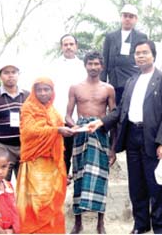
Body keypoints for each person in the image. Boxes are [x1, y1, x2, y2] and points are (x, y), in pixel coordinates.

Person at [88, 40, 162, 234]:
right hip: (132, 136)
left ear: (153, 55)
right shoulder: (131, 81)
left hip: (153, 139)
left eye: (145, 52)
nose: (140, 56)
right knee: (136, 186)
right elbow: (120, 110)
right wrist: (101, 122)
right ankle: (141, 225)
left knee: (157, 185)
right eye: (137, 53)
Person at [65, 51, 116, 234]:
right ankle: (78, 222)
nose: (93, 67)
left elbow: (113, 117)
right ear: (85, 65)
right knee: (79, 176)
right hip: (81, 137)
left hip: (101, 135)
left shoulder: (108, 89)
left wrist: (113, 148)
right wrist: (77, 126)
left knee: (100, 178)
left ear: (101, 66)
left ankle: (100, 223)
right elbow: (68, 115)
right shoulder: (75, 88)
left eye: (96, 64)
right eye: (90, 64)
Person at [16, 77, 75, 233]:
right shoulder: (28, 108)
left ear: (52, 92)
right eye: (39, 90)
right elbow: (29, 131)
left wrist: (64, 131)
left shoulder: (53, 110)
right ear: (34, 91)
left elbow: (59, 129)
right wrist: (56, 130)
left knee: (52, 201)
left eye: (46, 89)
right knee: (36, 200)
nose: (43, 93)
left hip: (53, 163)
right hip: (35, 162)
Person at [47, 34, 86, 182]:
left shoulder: (83, 66)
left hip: (79, 120)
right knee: (61, 156)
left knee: (79, 156)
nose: (68, 47)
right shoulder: (54, 66)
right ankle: (59, 193)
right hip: (58, 118)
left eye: (71, 44)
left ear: (76, 46)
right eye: (65, 44)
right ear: (61, 47)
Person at [101, 4, 148, 105]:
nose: (127, 19)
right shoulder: (111, 36)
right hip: (114, 80)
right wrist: (102, 82)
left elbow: (144, 59)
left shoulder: (141, 37)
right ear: (121, 17)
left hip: (131, 80)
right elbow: (104, 59)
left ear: (136, 19)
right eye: (125, 16)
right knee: (114, 110)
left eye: (131, 16)